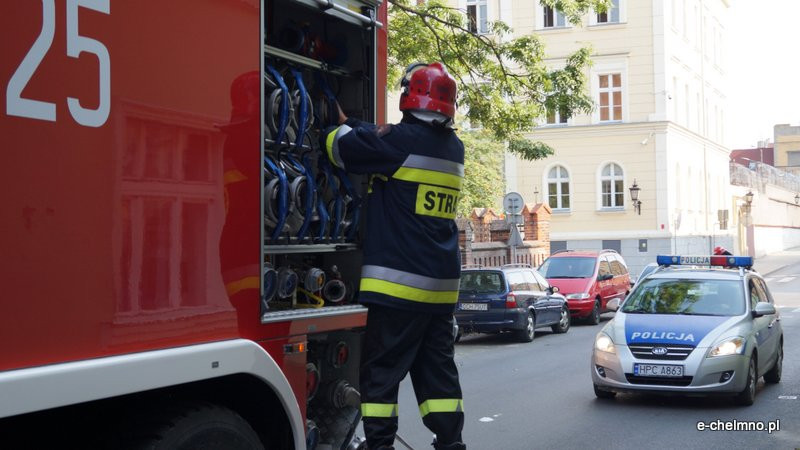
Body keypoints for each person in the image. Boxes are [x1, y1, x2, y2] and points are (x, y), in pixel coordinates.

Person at [322, 62, 466, 450]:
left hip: (398, 287)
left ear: (409, 96)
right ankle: (451, 443)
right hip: (440, 291)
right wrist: (360, 125)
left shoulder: (399, 143)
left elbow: (338, 147)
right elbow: (385, 138)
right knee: (438, 378)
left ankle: (380, 445)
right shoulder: (453, 148)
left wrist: (336, 124)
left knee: (381, 375)